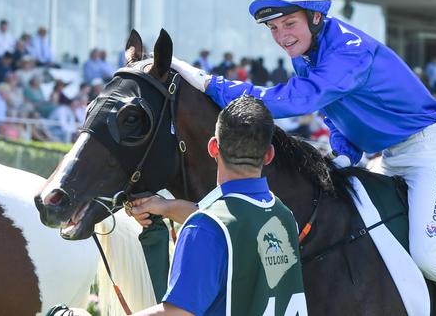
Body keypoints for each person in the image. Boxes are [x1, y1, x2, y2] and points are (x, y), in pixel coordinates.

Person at [170, 0, 436, 315]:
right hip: (386, 157)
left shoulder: (348, 50)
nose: (282, 37)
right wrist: (343, 152)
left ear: (315, 17)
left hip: (429, 153)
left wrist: (211, 85)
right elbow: (335, 111)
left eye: (288, 24)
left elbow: (301, 100)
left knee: (429, 254)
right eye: (273, 28)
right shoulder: (309, 54)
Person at [58, 96, 307, 316]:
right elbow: (232, 224)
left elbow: (177, 313)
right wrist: (165, 207)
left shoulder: (205, 228)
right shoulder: (284, 216)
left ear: (213, 147)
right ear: (269, 155)